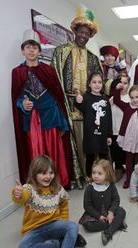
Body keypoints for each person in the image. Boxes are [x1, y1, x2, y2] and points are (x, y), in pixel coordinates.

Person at [11, 29, 71, 188]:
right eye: (27, 47)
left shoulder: (49, 70)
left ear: (39, 50)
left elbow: (58, 96)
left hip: (51, 116)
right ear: (23, 50)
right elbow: (16, 97)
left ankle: (57, 185)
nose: (31, 50)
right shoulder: (17, 72)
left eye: (34, 47)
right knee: (36, 153)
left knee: (53, 152)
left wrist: (62, 121)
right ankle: (38, 188)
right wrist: (22, 104)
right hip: (32, 120)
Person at [51, 16, 103, 188]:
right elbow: (53, 78)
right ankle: (76, 176)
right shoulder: (61, 52)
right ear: (75, 32)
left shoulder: (93, 58)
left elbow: (99, 83)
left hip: (88, 107)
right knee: (75, 142)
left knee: (89, 141)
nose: (84, 36)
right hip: (68, 104)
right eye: (81, 32)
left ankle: (93, 174)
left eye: (87, 34)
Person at [11, 155, 85, 248]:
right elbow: (21, 197)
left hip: (54, 224)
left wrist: (63, 224)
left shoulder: (58, 188)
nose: (48, 176)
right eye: (43, 173)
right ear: (34, 174)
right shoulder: (29, 189)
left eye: (51, 173)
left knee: (72, 226)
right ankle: (61, 244)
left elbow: (64, 204)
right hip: (34, 229)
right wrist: (17, 193)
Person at [79, 159, 127, 246]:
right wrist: (99, 216)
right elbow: (87, 206)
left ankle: (108, 233)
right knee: (88, 225)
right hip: (95, 214)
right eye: (94, 173)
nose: (95, 176)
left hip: (109, 212)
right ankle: (117, 224)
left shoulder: (111, 185)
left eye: (99, 173)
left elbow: (116, 199)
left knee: (122, 212)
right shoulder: (90, 188)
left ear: (107, 174)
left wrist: (111, 212)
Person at [114, 85, 138, 188]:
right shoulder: (127, 107)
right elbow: (116, 101)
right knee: (129, 160)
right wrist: (118, 89)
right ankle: (129, 180)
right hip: (129, 138)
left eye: (137, 97)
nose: (135, 100)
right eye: (132, 97)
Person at [74, 72, 112, 179]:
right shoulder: (86, 98)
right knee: (90, 156)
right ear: (89, 84)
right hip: (90, 135)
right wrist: (77, 100)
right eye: (94, 82)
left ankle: (104, 176)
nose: (97, 84)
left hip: (103, 135)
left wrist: (109, 135)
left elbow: (109, 119)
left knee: (103, 157)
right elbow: (79, 105)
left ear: (103, 84)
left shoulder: (105, 100)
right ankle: (90, 177)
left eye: (99, 82)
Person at [109, 75, 130, 182]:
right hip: (115, 129)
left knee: (127, 152)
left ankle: (129, 169)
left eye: (125, 83)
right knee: (116, 152)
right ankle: (118, 169)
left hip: (126, 131)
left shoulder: (130, 98)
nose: (122, 85)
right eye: (120, 83)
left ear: (129, 85)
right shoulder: (112, 98)